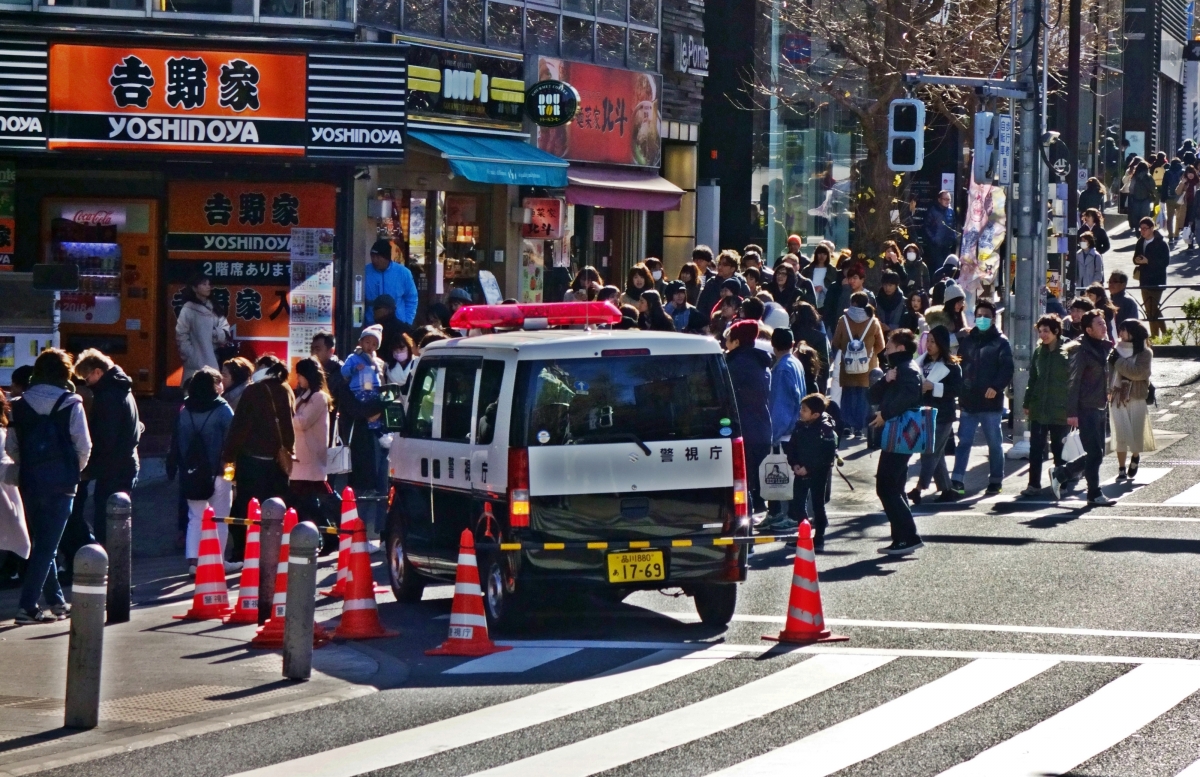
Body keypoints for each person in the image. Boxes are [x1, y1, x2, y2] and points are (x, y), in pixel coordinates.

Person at [7, 349, 91, 624]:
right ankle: (27, 606)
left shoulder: (18, 404)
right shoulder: (71, 402)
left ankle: (57, 602)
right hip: (62, 484)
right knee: (47, 544)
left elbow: (12, 448)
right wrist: (72, 470)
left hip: (29, 482)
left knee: (43, 542)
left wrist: (28, 467)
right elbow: (84, 445)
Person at [222, 355, 294, 560]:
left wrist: (229, 455)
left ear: (262, 368)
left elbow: (240, 427)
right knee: (276, 507)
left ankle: (243, 551)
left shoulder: (253, 391)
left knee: (245, 508)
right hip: (279, 461)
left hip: (252, 460)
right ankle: (275, 550)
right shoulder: (285, 389)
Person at [168, 367, 235, 574]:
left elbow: (177, 442)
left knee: (195, 517)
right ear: (214, 386)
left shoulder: (185, 411)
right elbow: (231, 443)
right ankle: (219, 560)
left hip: (192, 472)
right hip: (219, 472)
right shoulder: (222, 410)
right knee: (221, 518)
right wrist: (232, 472)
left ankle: (194, 563)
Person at [71, 349, 141, 547]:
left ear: (98, 372)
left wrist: (88, 465)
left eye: (87, 378)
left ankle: (105, 565)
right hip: (125, 463)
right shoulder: (122, 389)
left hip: (112, 467)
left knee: (105, 519)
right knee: (118, 519)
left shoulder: (107, 396)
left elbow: (105, 438)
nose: (87, 383)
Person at [948, 299, 1014, 498]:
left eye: (987, 316)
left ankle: (995, 480)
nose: (982, 319)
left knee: (994, 443)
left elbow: (1007, 368)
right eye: (979, 315)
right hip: (968, 400)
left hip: (991, 402)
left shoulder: (1001, 341)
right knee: (964, 442)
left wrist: (996, 387)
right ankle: (957, 480)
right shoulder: (968, 339)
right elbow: (959, 363)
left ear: (994, 318)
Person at [867, 328, 924, 555]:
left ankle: (908, 535)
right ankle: (902, 537)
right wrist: (885, 380)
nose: (886, 348)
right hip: (897, 435)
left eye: (890, 344)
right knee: (894, 486)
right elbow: (871, 396)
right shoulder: (897, 370)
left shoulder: (908, 370)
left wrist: (885, 413)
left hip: (901, 434)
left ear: (901, 348)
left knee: (886, 485)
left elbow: (909, 397)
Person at [1057, 309, 1115, 505]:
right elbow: (1072, 383)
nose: (1104, 326)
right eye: (1099, 324)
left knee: (1097, 452)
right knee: (1095, 452)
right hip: (1085, 407)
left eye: (1104, 322)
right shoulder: (1080, 350)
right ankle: (1094, 493)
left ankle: (1062, 473)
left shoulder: (1102, 346)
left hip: (1099, 405)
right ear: (1088, 329)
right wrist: (1071, 412)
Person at [724, 319, 772, 514]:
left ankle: (747, 522)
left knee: (744, 480)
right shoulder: (759, 361)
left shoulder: (736, 365)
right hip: (761, 426)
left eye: (728, 339)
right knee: (755, 477)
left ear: (736, 342)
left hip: (745, 428)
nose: (725, 343)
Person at [1021, 315, 1071, 497]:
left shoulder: (1068, 350)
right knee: (1036, 448)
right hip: (1039, 407)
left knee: (1059, 448)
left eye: (1046, 331)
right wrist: (1027, 402)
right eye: (1040, 331)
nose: (1043, 335)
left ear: (1056, 331)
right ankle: (1033, 484)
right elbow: (1033, 378)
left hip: (1060, 407)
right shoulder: (1039, 352)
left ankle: (1061, 482)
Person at [910, 325, 961, 504]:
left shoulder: (951, 366)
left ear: (941, 344)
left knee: (929, 452)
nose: (929, 345)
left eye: (933, 341)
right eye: (928, 341)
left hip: (943, 416)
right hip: (923, 414)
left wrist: (934, 387)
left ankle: (918, 488)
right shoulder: (920, 363)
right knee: (935, 453)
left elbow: (957, 390)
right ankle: (947, 490)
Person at [762, 328, 805, 531]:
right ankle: (778, 513)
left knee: (780, 477)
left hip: (785, 432)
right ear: (793, 342)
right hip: (795, 428)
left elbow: (780, 406)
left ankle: (784, 515)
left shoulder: (781, 369)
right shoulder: (795, 363)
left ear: (773, 344)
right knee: (786, 476)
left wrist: (774, 434)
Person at [289, 357, 337, 536]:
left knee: (310, 502)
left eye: (300, 375)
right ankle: (321, 536)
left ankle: (329, 536)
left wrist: (286, 417)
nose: (298, 379)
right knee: (305, 502)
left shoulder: (318, 397)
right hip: (300, 458)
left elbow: (303, 422)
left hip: (310, 457)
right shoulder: (304, 395)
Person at [784, 393, 838, 551]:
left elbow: (826, 455)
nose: (801, 412)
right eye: (801, 408)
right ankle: (803, 536)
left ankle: (819, 538)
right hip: (800, 471)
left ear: (815, 414)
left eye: (804, 410)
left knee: (817, 505)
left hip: (818, 473)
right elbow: (792, 447)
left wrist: (808, 467)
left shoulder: (825, 429)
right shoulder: (800, 425)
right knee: (798, 505)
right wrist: (794, 464)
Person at [830, 292, 884, 438]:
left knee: (847, 394)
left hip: (847, 364)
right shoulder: (873, 321)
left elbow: (836, 342)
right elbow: (881, 345)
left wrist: (848, 352)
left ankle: (847, 425)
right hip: (867, 366)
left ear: (853, 303)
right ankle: (860, 428)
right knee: (863, 396)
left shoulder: (843, 320)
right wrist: (868, 356)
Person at [1110, 319, 1154, 481]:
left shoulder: (1145, 352)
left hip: (1136, 396)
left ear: (1133, 333)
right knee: (1120, 433)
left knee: (1136, 433)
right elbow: (1108, 373)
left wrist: (1118, 362)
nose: (1120, 334)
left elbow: (1138, 373)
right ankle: (1121, 468)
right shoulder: (1115, 350)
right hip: (1117, 397)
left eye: (1123, 330)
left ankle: (1135, 456)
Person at [175, 274, 229, 384]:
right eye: (204, 284)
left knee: (212, 388)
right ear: (195, 288)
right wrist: (191, 355)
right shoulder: (188, 309)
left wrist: (213, 334)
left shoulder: (214, 307)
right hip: (195, 361)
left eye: (209, 284)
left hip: (214, 357)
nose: (208, 287)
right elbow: (181, 334)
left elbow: (225, 330)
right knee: (194, 390)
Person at [363, 239, 418, 326]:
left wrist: (407, 322)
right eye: (372, 256)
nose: (374, 260)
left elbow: (412, 298)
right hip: (372, 324)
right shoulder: (364, 272)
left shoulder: (403, 273)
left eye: (378, 257)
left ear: (387, 258)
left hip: (398, 324)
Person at [342, 325, 386, 430]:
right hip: (359, 388)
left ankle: (376, 429)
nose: (370, 346)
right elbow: (344, 371)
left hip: (371, 387)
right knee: (367, 406)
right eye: (367, 342)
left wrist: (377, 368)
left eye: (374, 344)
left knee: (378, 404)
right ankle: (372, 426)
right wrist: (354, 368)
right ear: (360, 342)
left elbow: (379, 376)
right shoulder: (353, 358)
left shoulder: (375, 360)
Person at [1133, 216, 1170, 337]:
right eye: (1141, 229)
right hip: (1144, 280)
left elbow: (1165, 262)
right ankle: (1155, 336)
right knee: (1149, 311)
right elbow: (1135, 258)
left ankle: (1164, 334)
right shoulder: (1140, 241)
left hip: (1156, 281)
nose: (1142, 231)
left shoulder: (1161, 243)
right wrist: (1137, 260)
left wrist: (1148, 261)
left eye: (1145, 228)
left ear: (1152, 228)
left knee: (1154, 309)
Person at [697, 250, 751, 323]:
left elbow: (746, 310)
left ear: (733, 268)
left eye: (724, 265)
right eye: (719, 264)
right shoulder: (711, 283)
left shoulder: (742, 286)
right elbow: (701, 307)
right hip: (709, 325)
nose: (720, 267)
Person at [790, 301, 830, 394]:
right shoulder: (820, 336)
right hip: (814, 381)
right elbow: (824, 364)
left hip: (793, 379)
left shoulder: (791, 335)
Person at [801, 243, 842, 325]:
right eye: (819, 253)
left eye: (824, 254)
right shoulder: (807, 269)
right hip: (810, 301)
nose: (822, 256)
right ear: (816, 255)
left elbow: (835, 288)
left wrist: (822, 288)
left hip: (826, 304)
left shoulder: (832, 270)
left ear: (828, 255)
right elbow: (802, 285)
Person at [924, 189, 959, 267]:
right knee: (938, 266)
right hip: (936, 246)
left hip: (948, 246)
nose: (947, 201)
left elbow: (953, 225)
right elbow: (926, 226)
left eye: (949, 199)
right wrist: (934, 239)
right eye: (945, 199)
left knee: (948, 266)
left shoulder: (951, 211)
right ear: (939, 200)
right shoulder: (933, 211)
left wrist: (953, 238)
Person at [310, 331, 344, 403]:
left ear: (331, 351)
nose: (313, 353)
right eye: (312, 349)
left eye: (317, 349)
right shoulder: (310, 369)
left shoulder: (341, 371)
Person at [1127, 161, 1157, 232]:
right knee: (1145, 216)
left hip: (1135, 199)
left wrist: (1132, 195)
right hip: (1145, 199)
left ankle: (1137, 229)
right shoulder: (1148, 176)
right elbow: (1153, 187)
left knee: (1136, 215)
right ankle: (1144, 230)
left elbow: (1131, 187)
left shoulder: (1135, 176)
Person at [876, 270, 905, 335]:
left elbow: (904, 322)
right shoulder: (877, 299)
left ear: (896, 285)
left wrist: (890, 327)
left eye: (890, 285)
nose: (887, 288)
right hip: (879, 333)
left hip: (897, 335)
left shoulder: (903, 301)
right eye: (885, 285)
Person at [1177, 166, 1200, 249]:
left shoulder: (1198, 182)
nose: (1190, 175)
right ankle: (1190, 243)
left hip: (1197, 206)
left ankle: (1195, 240)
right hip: (1187, 207)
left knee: (1195, 224)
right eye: (1188, 173)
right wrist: (1182, 183)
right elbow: (1177, 192)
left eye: (1192, 173)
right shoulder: (1185, 183)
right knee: (1188, 225)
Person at [1162, 159, 1185, 238]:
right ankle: (1176, 234)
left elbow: (1164, 186)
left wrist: (1163, 198)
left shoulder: (1167, 172)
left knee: (1170, 217)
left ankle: (1170, 235)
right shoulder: (1183, 171)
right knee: (1179, 217)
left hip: (1169, 198)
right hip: (1180, 198)